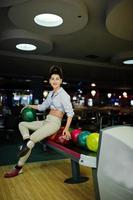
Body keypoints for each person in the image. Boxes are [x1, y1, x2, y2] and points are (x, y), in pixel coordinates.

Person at [4, 65, 74, 178]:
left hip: (54, 123)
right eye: (52, 79)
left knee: (31, 142)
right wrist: (29, 105)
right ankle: (25, 143)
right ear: (49, 81)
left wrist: (66, 129)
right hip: (46, 121)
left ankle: (18, 168)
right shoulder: (51, 94)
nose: (54, 81)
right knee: (21, 124)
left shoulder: (64, 95)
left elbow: (70, 113)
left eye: (57, 78)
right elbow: (42, 107)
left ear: (61, 80)